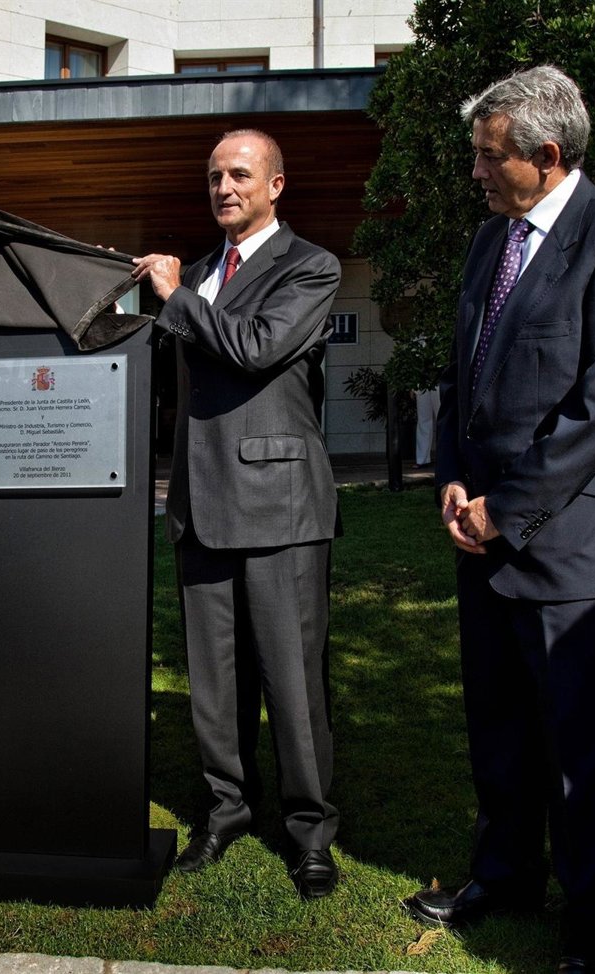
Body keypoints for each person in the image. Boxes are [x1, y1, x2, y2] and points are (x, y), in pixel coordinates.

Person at [403, 66, 595, 974]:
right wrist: (450, 477)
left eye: (489, 156)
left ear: (547, 155)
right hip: (480, 537)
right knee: (501, 730)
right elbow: (463, 373)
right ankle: (505, 877)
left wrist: (505, 510)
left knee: (582, 749)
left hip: (571, 550)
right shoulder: (490, 241)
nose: (476, 171)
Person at [132, 129, 343, 899]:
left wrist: (175, 299)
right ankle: (226, 812)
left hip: (280, 505)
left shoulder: (310, 266)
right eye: (215, 175)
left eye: (240, 174)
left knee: (293, 682)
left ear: (275, 185)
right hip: (200, 502)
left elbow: (257, 347)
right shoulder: (194, 274)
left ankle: (310, 832)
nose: (224, 187)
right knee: (214, 685)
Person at [412, 385, 439, 468]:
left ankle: (446, 458)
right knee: (423, 420)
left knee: (442, 419)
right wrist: (413, 387)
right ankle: (422, 459)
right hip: (422, 383)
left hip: (438, 382)